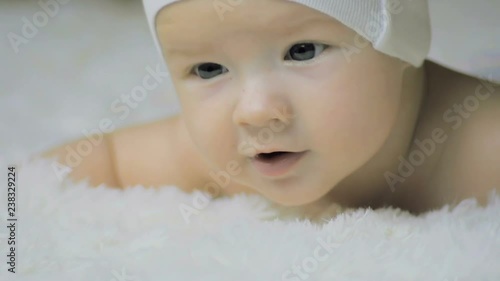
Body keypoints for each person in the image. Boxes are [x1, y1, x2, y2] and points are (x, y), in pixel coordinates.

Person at [42, 0, 500, 215]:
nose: (255, 112)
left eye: (302, 51)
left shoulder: (483, 145)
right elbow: (70, 171)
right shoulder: (209, 156)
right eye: (207, 69)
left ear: (402, 44)